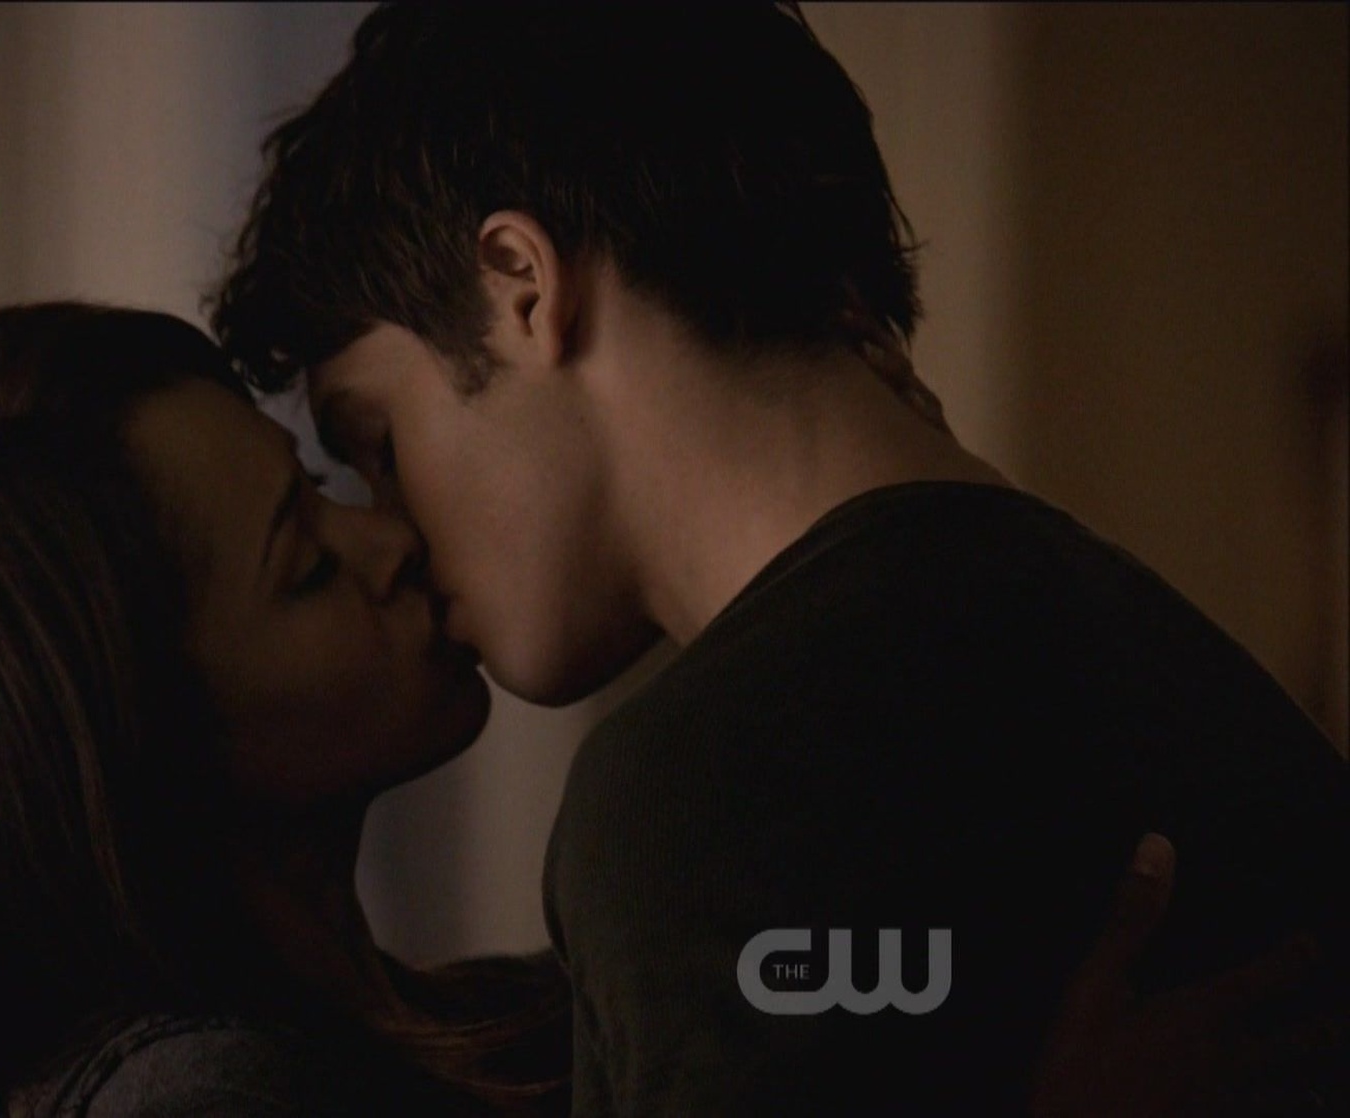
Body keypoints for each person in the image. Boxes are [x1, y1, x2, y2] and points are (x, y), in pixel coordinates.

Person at [0, 303, 1314, 1118]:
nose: (387, 538)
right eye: (304, 563)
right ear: (146, 746)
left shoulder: (500, 1019)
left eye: (320, 485)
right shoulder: (197, 1102)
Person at [209, 2, 1350, 1114]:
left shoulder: (720, 779)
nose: (394, 532)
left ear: (519, 283)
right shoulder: (1142, 656)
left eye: (380, 444)